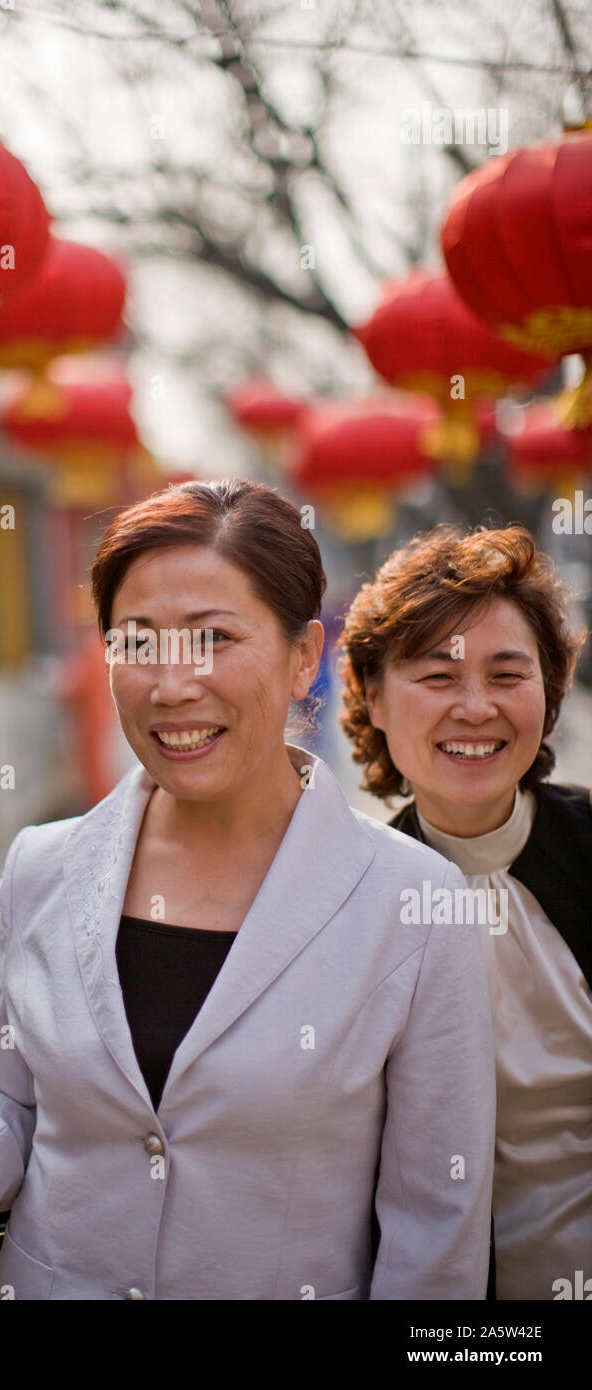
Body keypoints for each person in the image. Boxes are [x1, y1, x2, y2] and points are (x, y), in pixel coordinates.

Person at [0, 478, 495, 1300]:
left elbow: (435, 1229)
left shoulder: (415, 904)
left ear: (305, 656)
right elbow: (14, 1092)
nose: (172, 684)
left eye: (214, 638)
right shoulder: (44, 867)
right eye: (138, 642)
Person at [337, 522, 591, 1301]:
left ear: (549, 691)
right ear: (373, 697)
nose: (475, 707)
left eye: (508, 674)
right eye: (437, 678)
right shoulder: (345, 900)